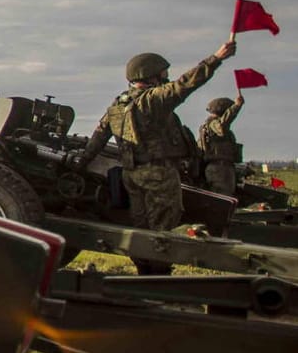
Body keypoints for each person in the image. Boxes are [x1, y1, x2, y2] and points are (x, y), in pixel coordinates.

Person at [73, 42, 236, 273]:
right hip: (159, 174)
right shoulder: (151, 101)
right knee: (163, 230)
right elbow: (185, 85)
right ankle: (158, 278)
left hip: (131, 175)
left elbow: (98, 137)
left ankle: (144, 272)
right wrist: (216, 58)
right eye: (163, 76)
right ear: (150, 76)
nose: (167, 80)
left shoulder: (118, 105)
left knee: (141, 229)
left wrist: (82, 163)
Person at [198, 94, 246, 196]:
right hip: (219, 168)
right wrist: (236, 107)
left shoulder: (217, 128)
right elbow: (222, 124)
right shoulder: (213, 124)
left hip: (223, 167)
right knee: (222, 200)